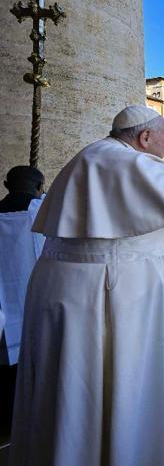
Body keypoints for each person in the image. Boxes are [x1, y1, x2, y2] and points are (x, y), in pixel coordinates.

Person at [10, 106, 164, 466]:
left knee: (73, 384)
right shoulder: (130, 162)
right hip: (110, 289)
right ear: (145, 138)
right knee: (120, 378)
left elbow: (148, 217)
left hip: (73, 284)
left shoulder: (92, 156)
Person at [0, 166, 46, 438]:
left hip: (4, 302)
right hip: (35, 294)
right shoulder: (44, 212)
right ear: (40, 186)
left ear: (6, 185)